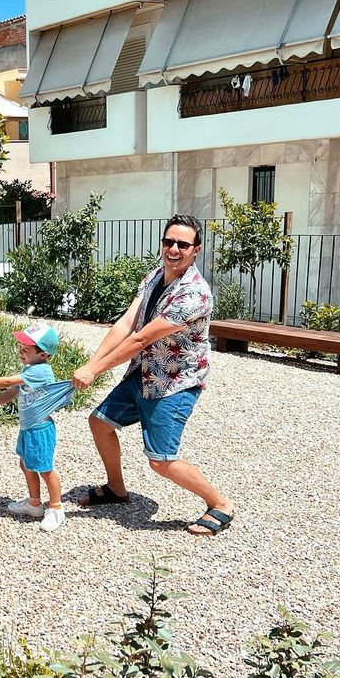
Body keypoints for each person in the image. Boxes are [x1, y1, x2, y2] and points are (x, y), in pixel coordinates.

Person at [70, 214, 235, 535]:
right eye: (169, 241)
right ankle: (116, 489)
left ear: (196, 249)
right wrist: (91, 363)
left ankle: (220, 503)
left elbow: (141, 339)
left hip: (175, 382)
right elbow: (126, 324)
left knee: (160, 460)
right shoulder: (155, 276)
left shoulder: (195, 294)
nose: (174, 249)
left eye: (182, 244)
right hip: (144, 372)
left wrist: (94, 370)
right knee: (100, 422)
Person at [0, 322, 68, 532]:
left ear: (43, 355)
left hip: (40, 429)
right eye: (20, 347)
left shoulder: (40, 371)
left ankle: (56, 508)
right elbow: (13, 391)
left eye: (26, 349)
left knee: (45, 470)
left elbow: (7, 381)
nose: (21, 352)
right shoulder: (30, 369)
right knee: (26, 465)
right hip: (28, 428)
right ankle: (34, 504)